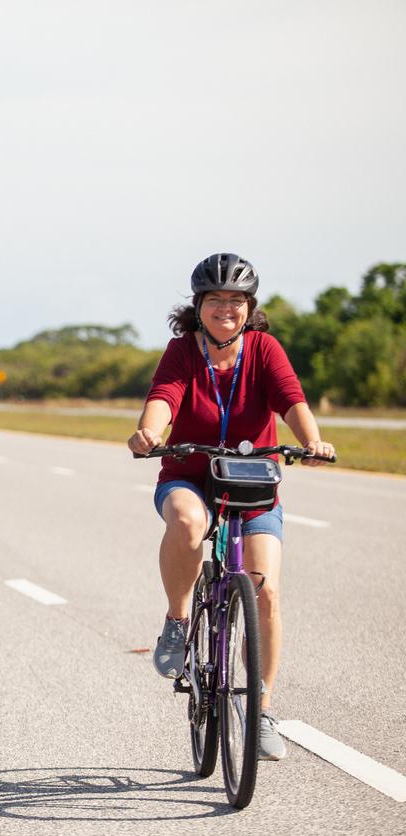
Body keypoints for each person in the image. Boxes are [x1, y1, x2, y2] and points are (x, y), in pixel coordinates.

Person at [127, 253, 335, 761]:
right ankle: (178, 624)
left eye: (236, 300)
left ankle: (260, 710)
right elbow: (165, 396)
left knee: (265, 591)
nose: (227, 308)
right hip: (189, 473)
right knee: (187, 522)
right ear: (198, 306)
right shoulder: (182, 351)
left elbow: (292, 401)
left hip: (251, 483)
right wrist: (151, 433)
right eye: (216, 299)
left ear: (249, 307)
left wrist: (314, 442)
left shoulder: (264, 349)